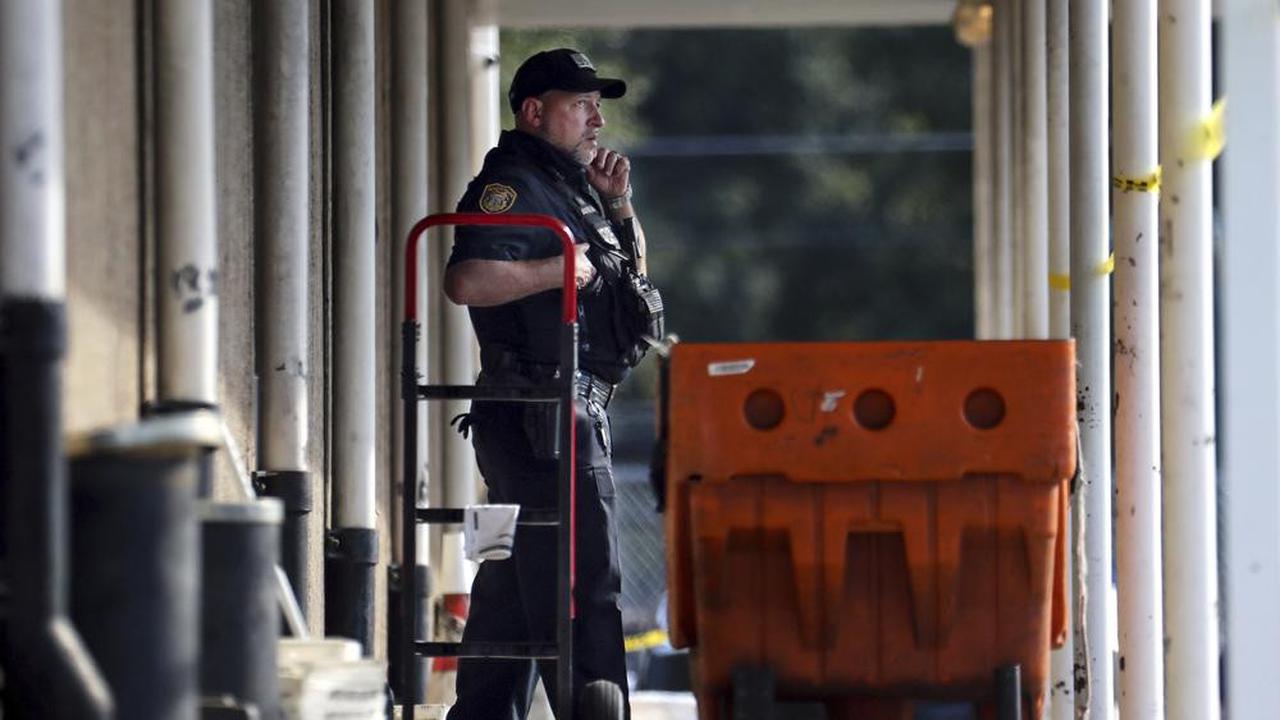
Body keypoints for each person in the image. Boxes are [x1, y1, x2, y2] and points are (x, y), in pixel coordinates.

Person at [442, 48, 663, 720]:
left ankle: (479, 715)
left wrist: (619, 205)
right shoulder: (510, 182)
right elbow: (466, 279)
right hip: (541, 415)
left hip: (561, 412)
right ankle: (593, 710)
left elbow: (635, 281)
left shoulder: (573, 185)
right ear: (534, 112)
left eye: (598, 105)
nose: (597, 118)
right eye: (580, 104)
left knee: (513, 581)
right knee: (584, 585)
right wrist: (554, 269)